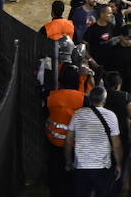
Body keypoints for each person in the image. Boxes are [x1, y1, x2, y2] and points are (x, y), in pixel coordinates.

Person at [64, 86, 123, 197]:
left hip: (81, 167)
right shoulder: (111, 116)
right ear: (105, 100)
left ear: (89, 99)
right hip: (102, 168)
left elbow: (68, 141)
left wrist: (68, 162)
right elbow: (117, 145)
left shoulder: (78, 114)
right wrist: (119, 165)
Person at [46, 65, 87, 196]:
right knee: (73, 180)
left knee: (56, 178)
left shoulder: (51, 97)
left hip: (54, 143)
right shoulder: (84, 99)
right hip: (75, 145)